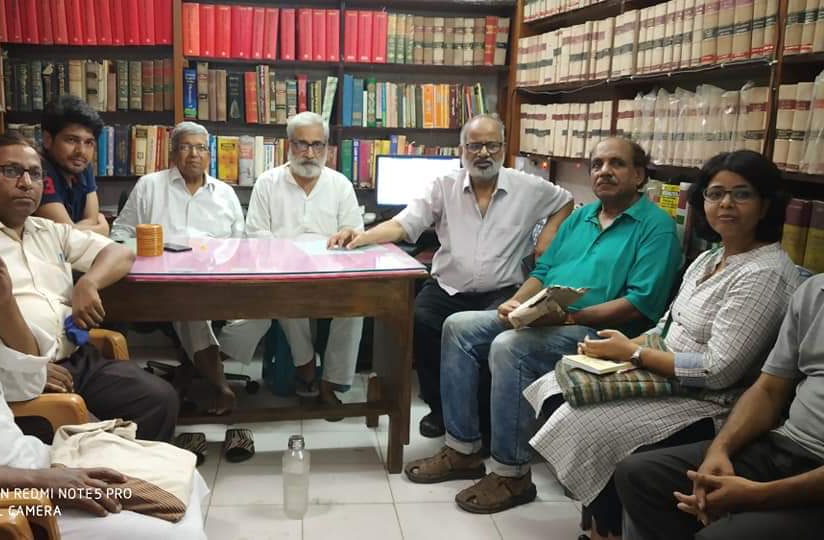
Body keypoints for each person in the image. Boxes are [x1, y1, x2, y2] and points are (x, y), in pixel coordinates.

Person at [0, 145, 208, 539]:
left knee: (181, 476)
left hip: (25, 460)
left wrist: (3, 300)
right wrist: (39, 481)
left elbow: (21, 386)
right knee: (170, 531)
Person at [522, 150, 800, 539]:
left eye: (742, 194)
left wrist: (634, 354)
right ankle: (602, 524)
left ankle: (606, 531)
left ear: (765, 204)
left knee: (587, 424)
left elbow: (719, 371)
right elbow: (667, 323)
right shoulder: (710, 258)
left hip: (708, 399)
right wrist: (623, 348)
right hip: (662, 369)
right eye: (715, 193)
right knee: (558, 386)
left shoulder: (764, 273)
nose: (726, 204)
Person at [404, 137, 682, 514]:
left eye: (616, 164)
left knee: (510, 347)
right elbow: (545, 270)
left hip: (604, 336)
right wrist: (518, 303)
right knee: (458, 327)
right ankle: (463, 449)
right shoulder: (582, 217)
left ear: (639, 175)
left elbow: (639, 304)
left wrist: (570, 317)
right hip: (552, 316)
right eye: (597, 164)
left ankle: (512, 474)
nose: (604, 172)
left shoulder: (656, 227)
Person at [328, 113, 574, 437]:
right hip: (447, 288)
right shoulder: (444, 186)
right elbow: (404, 224)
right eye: (475, 146)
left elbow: (565, 201)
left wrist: (549, 234)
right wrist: (361, 236)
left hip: (502, 291)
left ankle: (482, 420)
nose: (483, 153)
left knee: (493, 342)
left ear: (503, 148)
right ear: (461, 150)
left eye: (492, 145)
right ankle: (440, 411)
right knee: (420, 322)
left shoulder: (528, 187)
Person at [0, 134, 180, 442]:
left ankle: (138, 471)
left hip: (75, 357)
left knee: (158, 399)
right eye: (11, 171)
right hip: (13, 373)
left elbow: (120, 253)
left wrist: (88, 283)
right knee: (81, 440)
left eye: (35, 174)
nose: (26, 183)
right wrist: (24, 370)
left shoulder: (48, 231)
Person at [615, 273, 824, 540]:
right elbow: (769, 390)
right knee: (638, 475)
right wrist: (719, 450)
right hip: (785, 447)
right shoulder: (814, 292)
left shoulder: (765, 273)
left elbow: (717, 370)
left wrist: (757, 496)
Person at [217, 111, 363, 412]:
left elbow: (354, 231)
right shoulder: (268, 183)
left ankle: (330, 383)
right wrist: (293, 256)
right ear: (289, 145)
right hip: (280, 271)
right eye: (302, 144)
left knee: (356, 308)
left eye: (317, 145)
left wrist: (350, 233)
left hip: (329, 274)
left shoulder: (340, 184)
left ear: (327, 148)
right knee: (286, 298)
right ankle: (306, 366)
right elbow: (256, 235)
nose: (310, 153)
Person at [112, 121, 245, 415]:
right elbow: (120, 233)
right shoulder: (149, 186)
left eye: (200, 148)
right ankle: (220, 386)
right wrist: (146, 255)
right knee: (190, 307)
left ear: (209, 154)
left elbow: (241, 245)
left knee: (262, 315)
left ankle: (197, 365)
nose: (193, 154)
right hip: (164, 283)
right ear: (172, 153)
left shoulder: (225, 193)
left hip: (217, 279)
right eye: (185, 147)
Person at [36, 95, 109, 236]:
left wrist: (77, 228)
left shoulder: (82, 165)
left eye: (89, 143)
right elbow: (66, 235)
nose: (81, 151)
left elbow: (92, 219)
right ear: (47, 140)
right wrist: (102, 229)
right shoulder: (38, 170)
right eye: (71, 140)